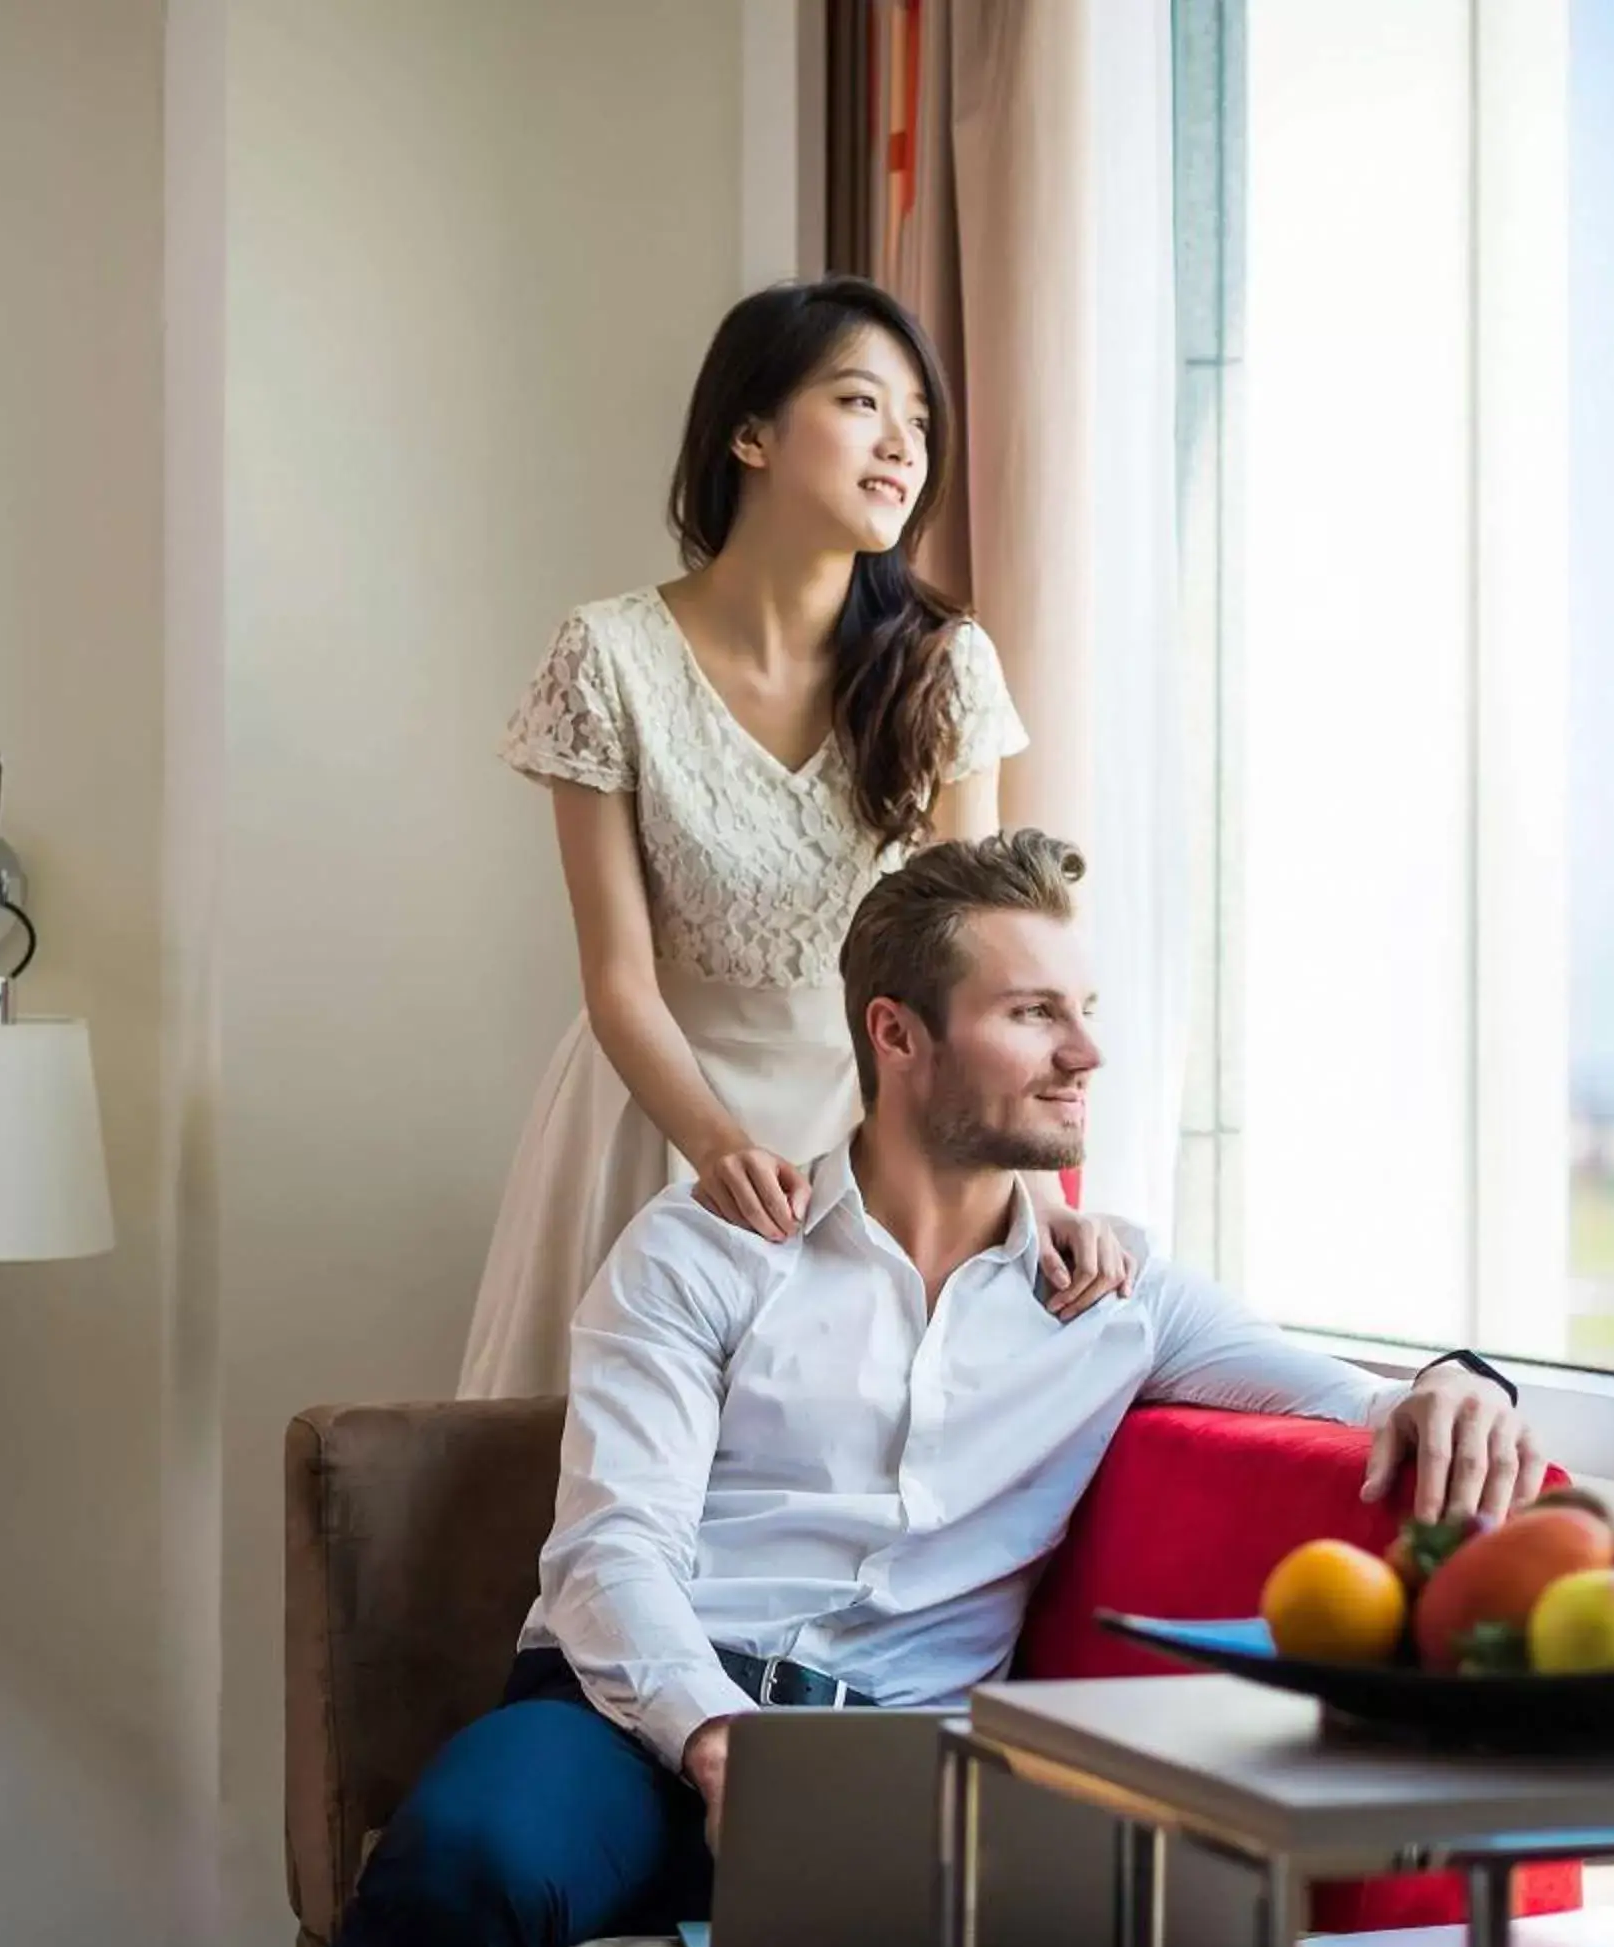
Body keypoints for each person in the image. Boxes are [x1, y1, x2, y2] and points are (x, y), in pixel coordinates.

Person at [321, 833, 1551, 1947]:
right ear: (896, 1036)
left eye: (1087, 1011)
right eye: (1034, 1013)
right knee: (448, 1875)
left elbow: (1354, 1401)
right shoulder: (707, 1248)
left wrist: (1466, 1382)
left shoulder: (1118, 1292)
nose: (1085, 1050)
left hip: (918, 1752)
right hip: (633, 1722)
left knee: (1185, 1929)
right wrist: (723, 1742)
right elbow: (610, 1556)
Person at [458, 277, 1136, 1400]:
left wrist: (1024, 1201)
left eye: (920, 420)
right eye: (862, 403)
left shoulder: (945, 664)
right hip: (653, 1122)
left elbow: (978, 988)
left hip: (873, 1128)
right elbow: (618, 980)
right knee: (613, 1486)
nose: (903, 444)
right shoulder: (607, 657)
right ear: (749, 434)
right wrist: (716, 1147)